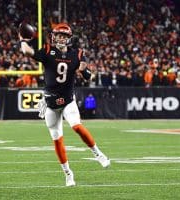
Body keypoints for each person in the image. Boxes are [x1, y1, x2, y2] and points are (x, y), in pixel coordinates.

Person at [19, 23, 110, 186]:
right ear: (54, 37)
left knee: (76, 126)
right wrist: (22, 39)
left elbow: (89, 76)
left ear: (68, 38)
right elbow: (27, 51)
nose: (60, 38)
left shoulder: (77, 54)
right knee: (57, 140)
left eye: (63, 36)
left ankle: (98, 154)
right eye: (58, 35)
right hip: (50, 102)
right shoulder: (47, 51)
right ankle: (68, 174)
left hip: (68, 100)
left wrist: (84, 71)